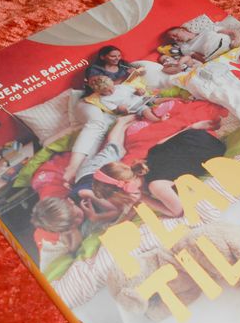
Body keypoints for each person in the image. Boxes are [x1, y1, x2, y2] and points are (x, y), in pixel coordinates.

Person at [92, 125, 226, 219]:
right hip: (194, 136)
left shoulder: (156, 186)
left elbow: (177, 212)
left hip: (212, 149)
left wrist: (143, 198)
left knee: (161, 150)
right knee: (158, 147)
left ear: (125, 189)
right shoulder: (143, 166)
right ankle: (190, 129)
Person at [63, 45, 142, 183]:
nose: (117, 59)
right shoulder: (95, 69)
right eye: (113, 56)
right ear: (103, 57)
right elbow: (99, 85)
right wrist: (126, 77)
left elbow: (133, 84)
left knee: (102, 131)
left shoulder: (123, 66)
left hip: (108, 108)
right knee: (96, 124)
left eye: (118, 56)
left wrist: (136, 74)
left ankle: (83, 169)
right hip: (91, 103)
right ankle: (72, 167)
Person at [31, 197, 85, 272]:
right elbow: (74, 249)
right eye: (72, 225)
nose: (78, 220)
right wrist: (74, 230)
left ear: (70, 201)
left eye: (76, 215)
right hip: (51, 269)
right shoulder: (63, 233)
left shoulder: (65, 208)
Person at [86, 75, 169, 122]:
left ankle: (173, 100)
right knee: (145, 110)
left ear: (112, 83)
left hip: (142, 99)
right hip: (134, 107)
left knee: (155, 100)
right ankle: (158, 120)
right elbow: (115, 111)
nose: (112, 91)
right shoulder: (104, 99)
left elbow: (135, 91)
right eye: (107, 91)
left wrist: (140, 91)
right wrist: (121, 109)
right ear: (99, 91)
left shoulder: (120, 87)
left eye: (112, 87)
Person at [165, 25, 240, 62]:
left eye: (175, 35)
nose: (175, 39)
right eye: (173, 39)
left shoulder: (207, 28)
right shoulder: (185, 48)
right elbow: (204, 60)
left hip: (233, 45)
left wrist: (237, 40)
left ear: (182, 30)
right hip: (219, 57)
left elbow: (232, 32)